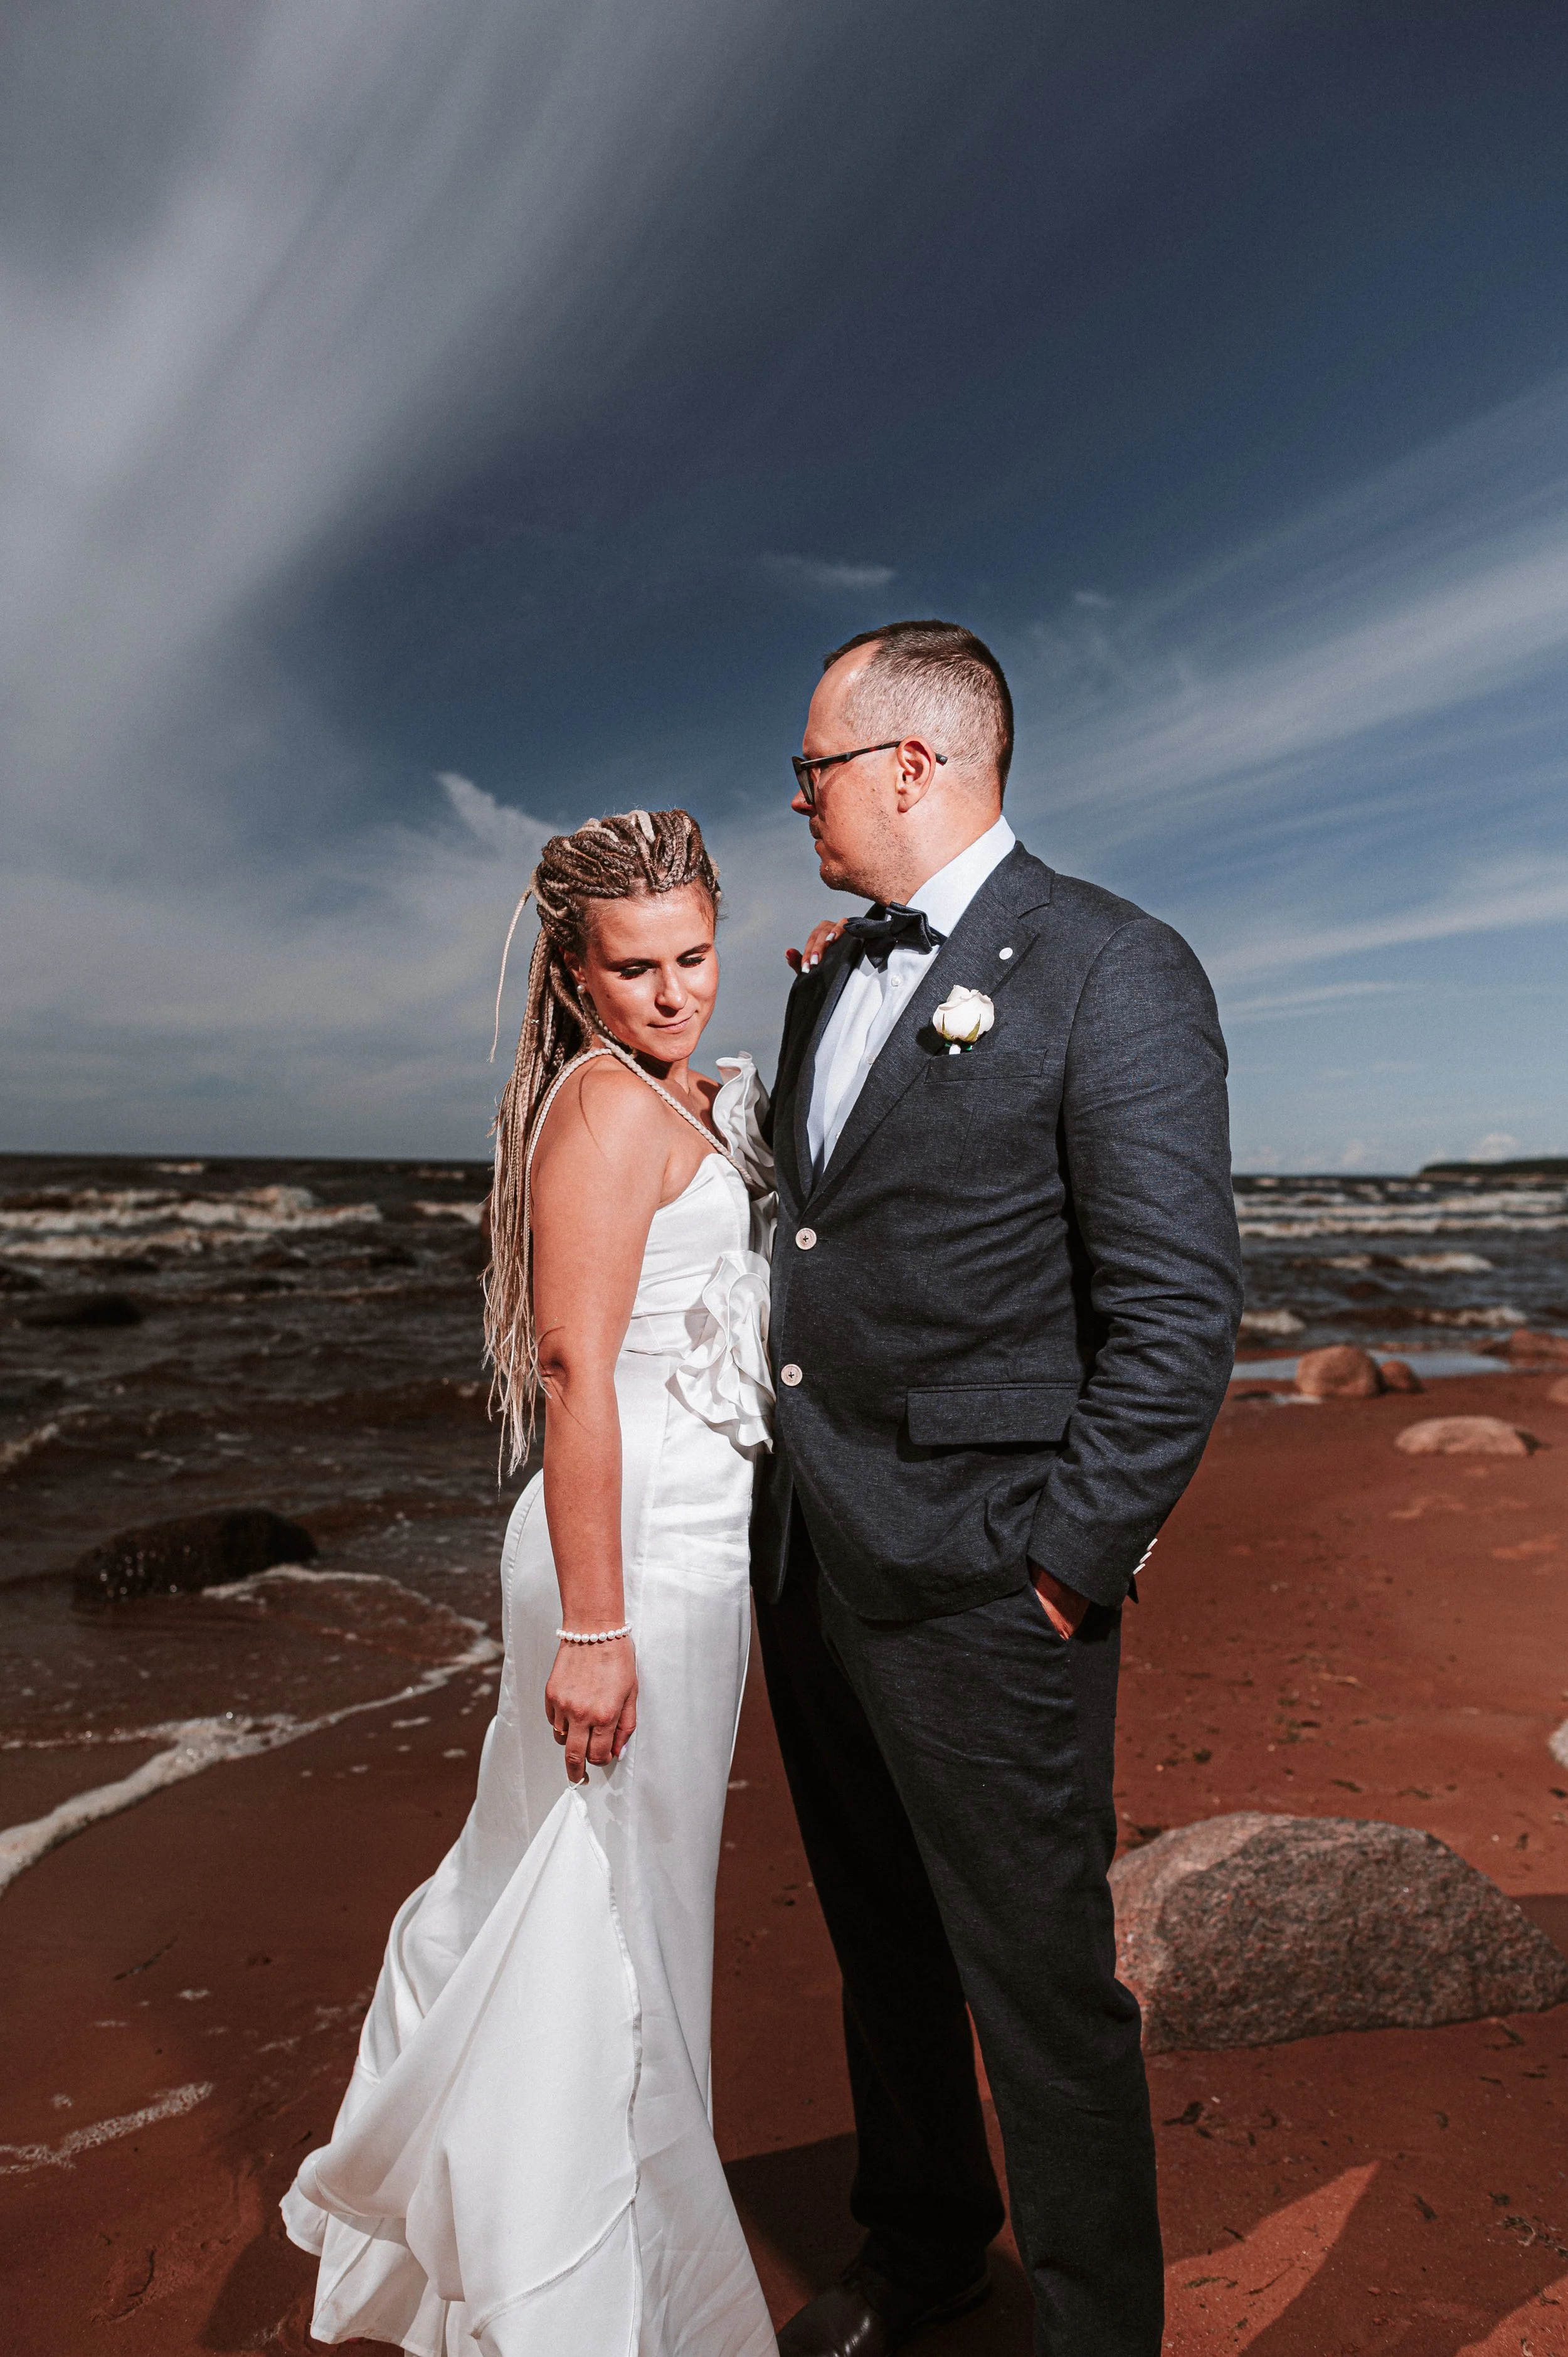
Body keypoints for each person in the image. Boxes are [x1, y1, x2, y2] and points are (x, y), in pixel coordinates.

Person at [754, 621, 1244, 2357]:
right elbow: (814, 1224)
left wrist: (1066, 1556)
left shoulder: (1114, 965)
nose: (793, 794)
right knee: (881, 1946)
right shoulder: (823, 975)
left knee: (1037, 1985)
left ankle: (1101, 2330)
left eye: (809, 764)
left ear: (909, 762)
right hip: (812, 1550)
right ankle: (925, 2247)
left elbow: (1176, 1305)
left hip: (986, 1572)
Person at [282, 809, 777, 2357]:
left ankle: (589, 2257)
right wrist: (596, 1627)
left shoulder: (669, 1089)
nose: (673, 991)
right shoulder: (605, 1113)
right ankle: (573, 2295)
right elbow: (573, 1369)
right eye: (633, 969)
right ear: (570, 973)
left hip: (686, 1544)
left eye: (695, 955)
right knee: (605, 1917)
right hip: (623, 1564)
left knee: (624, 1904)